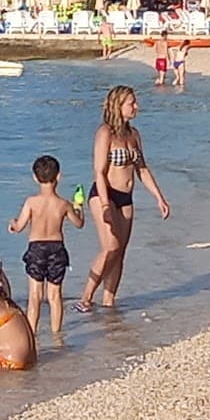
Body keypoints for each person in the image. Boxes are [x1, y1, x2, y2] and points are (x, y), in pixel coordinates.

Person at [75, 85, 170, 313]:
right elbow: (98, 171)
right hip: (104, 194)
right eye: (131, 103)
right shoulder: (105, 133)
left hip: (126, 197)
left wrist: (159, 197)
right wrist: (106, 205)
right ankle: (86, 296)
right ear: (118, 106)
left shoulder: (133, 134)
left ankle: (109, 302)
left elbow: (142, 169)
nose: (136, 107)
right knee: (110, 247)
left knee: (121, 251)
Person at [8, 154, 85, 336]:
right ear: (58, 176)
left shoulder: (31, 202)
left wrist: (12, 223)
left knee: (34, 296)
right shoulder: (63, 204)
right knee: (54, 296)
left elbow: (19, 226)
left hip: (36, 248)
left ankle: (31, 335)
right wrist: (79, 208)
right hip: (56, 249)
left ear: (35, 178)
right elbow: (79, 224)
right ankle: (57, 335)